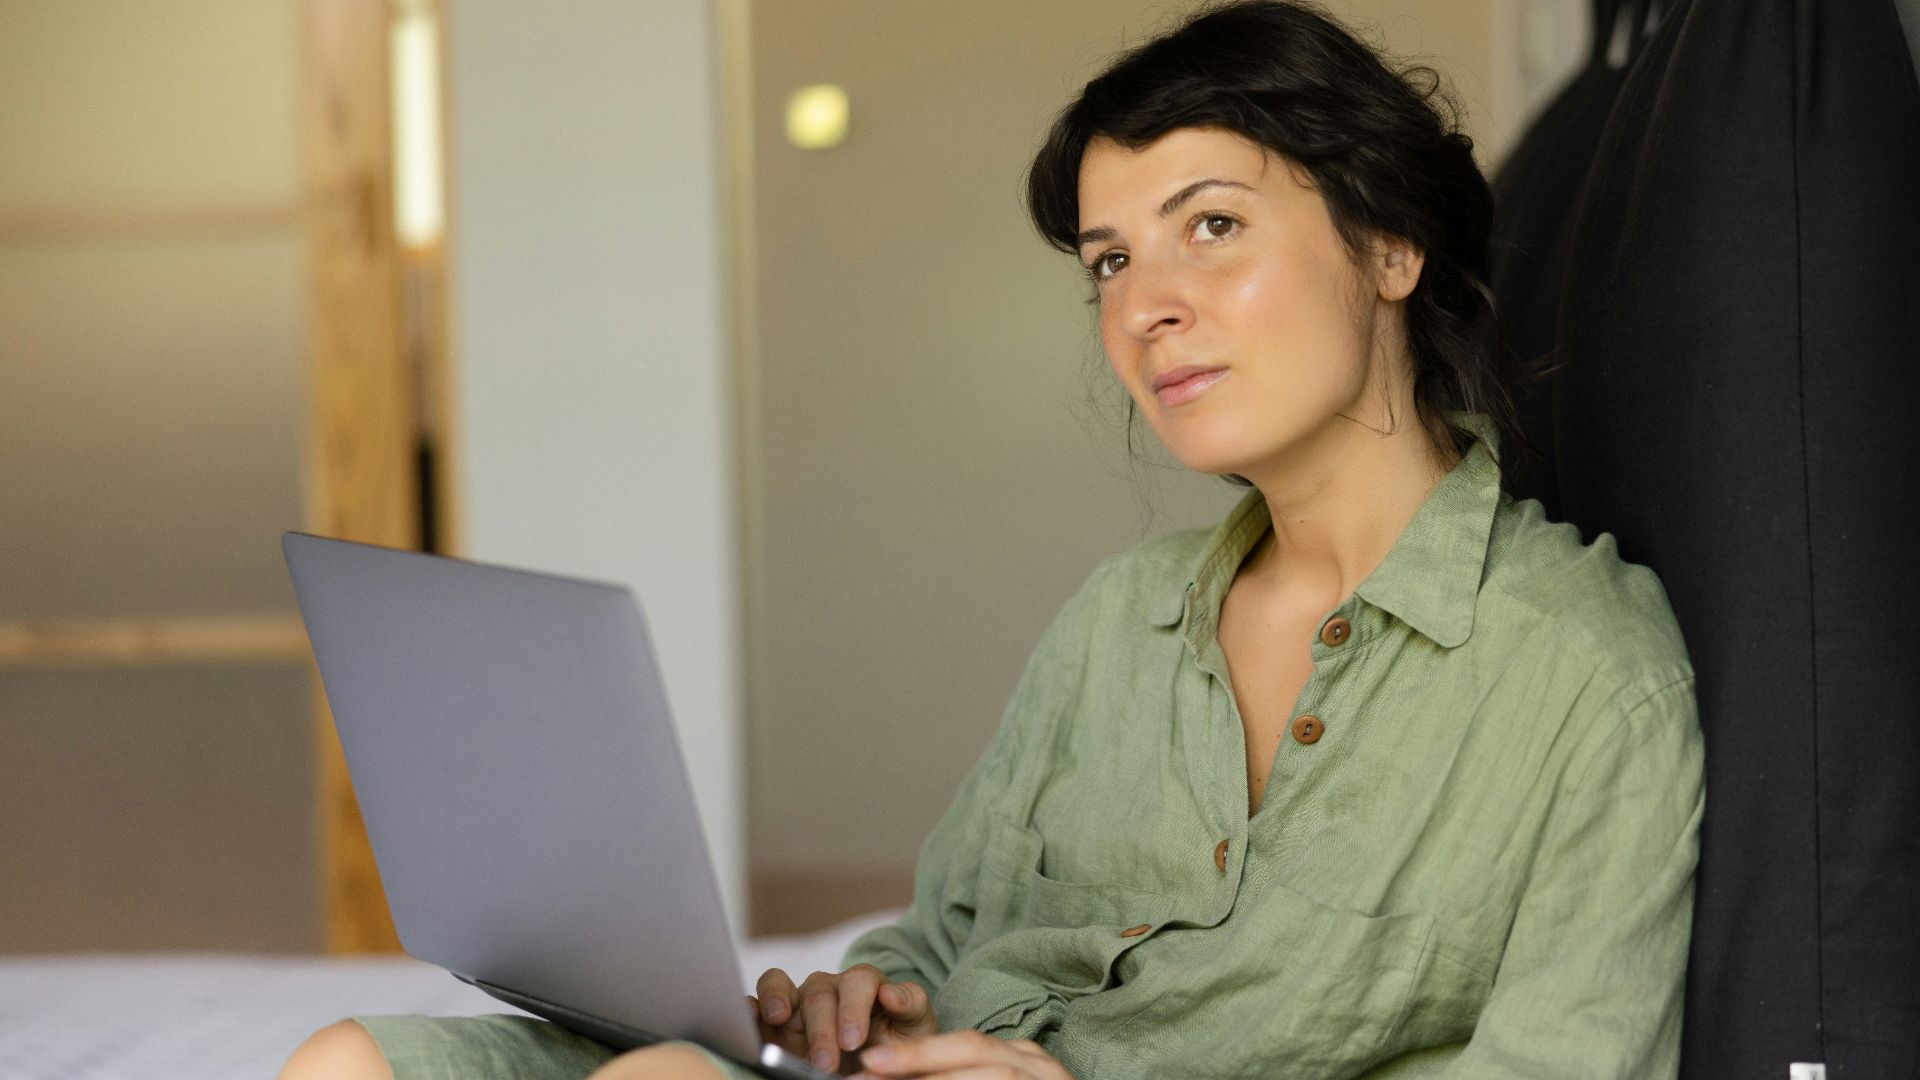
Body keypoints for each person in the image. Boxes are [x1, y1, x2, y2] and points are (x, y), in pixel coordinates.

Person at [281, 1, 1704, 1077]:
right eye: (1110, 260)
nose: (1145, 303)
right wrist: (867, 992)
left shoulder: (1585, 679)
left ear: (1391, 246)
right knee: (351, 1062)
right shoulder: (1123, 620)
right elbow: (945, 934)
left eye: (1210, 225)